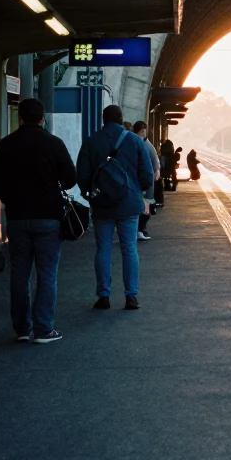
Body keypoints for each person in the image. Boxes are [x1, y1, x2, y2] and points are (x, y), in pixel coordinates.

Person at [0, 98, 77, 344]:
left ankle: (21, 329)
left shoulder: (6, 145)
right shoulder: (54, 144)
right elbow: (71, 178)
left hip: (17, 218)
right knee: (47, 273)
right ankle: (43, 329)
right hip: (49, 217)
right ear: (42, 119)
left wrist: (12, 197)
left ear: (19, 118)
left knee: (19, 274)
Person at [76, 105, 154, 310]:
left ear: (103, 120)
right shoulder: (136, 141)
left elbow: (82, 175)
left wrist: (91, 194)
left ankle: (104, 295)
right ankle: (131, 296)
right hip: (128, 204)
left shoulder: (92, 141)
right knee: (129, 248)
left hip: (102, 205)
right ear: (121, 120)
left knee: (103, 249)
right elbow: (147, 175)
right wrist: (137, 190)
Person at [131, 121, 160, 240]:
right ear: (143, 131)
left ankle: (139, 230)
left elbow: (155, 164)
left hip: (139, 183)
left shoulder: (141, 144)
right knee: (144, 207)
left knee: (144, 208)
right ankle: (140, 230)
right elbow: (155, 163)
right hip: (144, 183)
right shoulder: (148, 146)